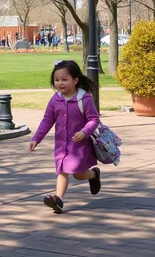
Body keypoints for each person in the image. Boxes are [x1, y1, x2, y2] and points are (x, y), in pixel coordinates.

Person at [29, 60, 102, 214]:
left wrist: (84, 132)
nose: (60, 83)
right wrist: (36, 138)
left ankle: (93, 174)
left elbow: (94, 119)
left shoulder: (84, 99)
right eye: (56, 80)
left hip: (79, 146)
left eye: (64, 79)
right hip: (61, 146)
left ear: (75, 80)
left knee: (78, 174)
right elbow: (47, 120)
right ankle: (58, 199)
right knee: (62, 170)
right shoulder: (55, 99)